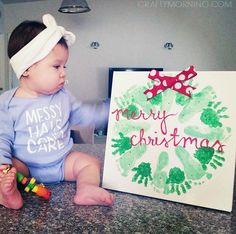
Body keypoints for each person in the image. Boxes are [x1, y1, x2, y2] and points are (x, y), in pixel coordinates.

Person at [0, 14, 114, 209]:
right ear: (26, 68)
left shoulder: (63, 96)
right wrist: (3, 165)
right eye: (56, 66)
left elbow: (86, 115)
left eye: (64, 66)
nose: (63, 72)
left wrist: (111, 111)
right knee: (6, 170)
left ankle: (86, 189)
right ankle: (7, 196)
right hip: (25, 167)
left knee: (90, 163)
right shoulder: (7, 103)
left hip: (62, 163)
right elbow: (2, 138)